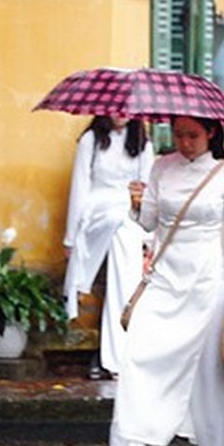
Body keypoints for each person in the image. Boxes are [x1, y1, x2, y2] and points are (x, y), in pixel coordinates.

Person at [93, 115, 224, 446]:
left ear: (211, 133)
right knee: (139, 359)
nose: (185, 142)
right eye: (179, 135)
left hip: (210, 279)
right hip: (164, 276)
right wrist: (136, 202)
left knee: (213, 375)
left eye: (193, 135)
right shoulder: (162, 167)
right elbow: (147, 223)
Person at [62, 116, 154, 379]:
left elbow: (150, 189)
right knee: (120, 226)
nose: (120, 113)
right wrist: (70, 237)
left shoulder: (142, 143)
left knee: (125, 245)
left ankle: (120, 351)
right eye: (115, 107)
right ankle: (117, 355)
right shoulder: (91, 141)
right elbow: (79, 188)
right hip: (97, 212)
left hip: (129, 214)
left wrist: (150, 235)